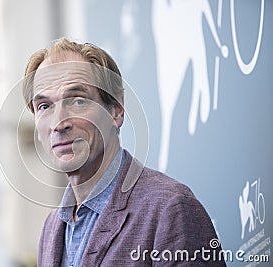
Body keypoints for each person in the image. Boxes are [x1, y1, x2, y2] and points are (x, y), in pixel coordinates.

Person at [22, 38, 226, 266]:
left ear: (116, 112)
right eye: (44, 106)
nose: (59, 123)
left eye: (78, 101)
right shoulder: (51, 230)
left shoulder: (170, 208)